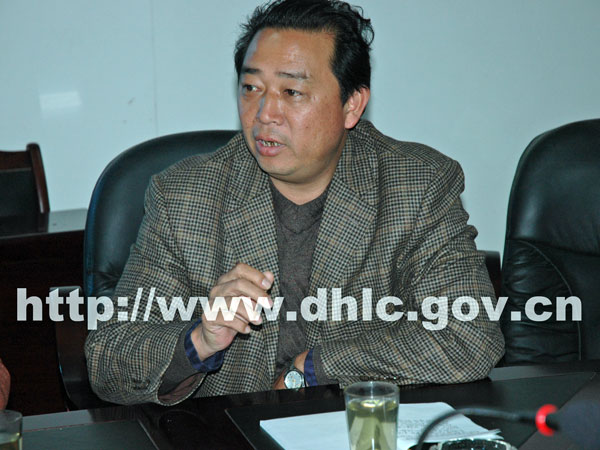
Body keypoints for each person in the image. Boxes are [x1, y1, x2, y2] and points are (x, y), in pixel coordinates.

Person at [85, 0, 504, 405]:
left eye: (292, 91)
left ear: (351, 105)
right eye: (251, 88)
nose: (265, 113)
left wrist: (315, 368)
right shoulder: (186, 195)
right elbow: (108, 358)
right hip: (228, 432)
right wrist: (200, 341)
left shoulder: (416, 186)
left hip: (354, 427)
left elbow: (470, 336)